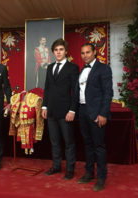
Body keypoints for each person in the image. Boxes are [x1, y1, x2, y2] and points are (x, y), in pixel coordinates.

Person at [75, 43, 113, 191]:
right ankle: (89, 172)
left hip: (97, 113)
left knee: (98, 146)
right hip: (83, 111)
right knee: (87, 144)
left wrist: (103, 113)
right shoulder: (82, 70)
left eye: (88, 52)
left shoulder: (103, 69)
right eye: (83, 53)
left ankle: (101, 178)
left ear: (94, 52)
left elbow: (107, 93)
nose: (85, 55)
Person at [42, 38, 79, 180]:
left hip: (66, 111)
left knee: (69, 142)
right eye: (56, 50)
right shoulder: (50, 67)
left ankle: (70, 169)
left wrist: (72, 110)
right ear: (53, 52)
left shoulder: (73, 68)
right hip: (51, 111)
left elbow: (75, 91)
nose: (58, 52)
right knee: (54, 141)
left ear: (66, 51)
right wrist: (44, 106)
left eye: (61, 50)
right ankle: (56, 166)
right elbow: (47, 88)